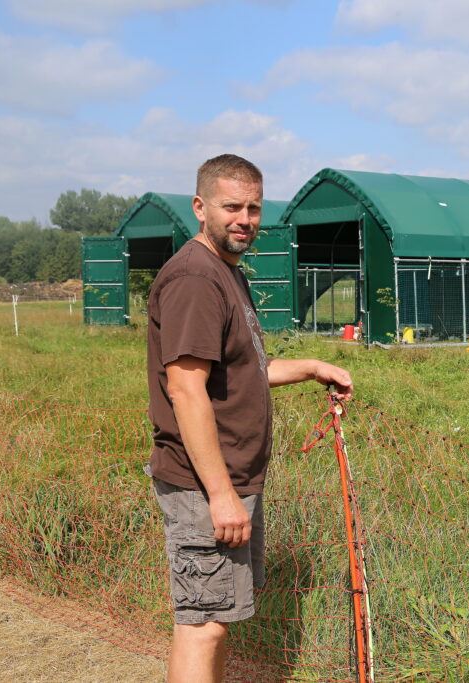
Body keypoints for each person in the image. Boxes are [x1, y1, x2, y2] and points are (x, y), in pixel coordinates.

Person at [145, 154, 352, 683]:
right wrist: (219, 493)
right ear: (200, 207)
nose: (245, 218)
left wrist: (311, 367)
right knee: (204, 622)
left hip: (228, 478)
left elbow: (242, 371)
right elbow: (187, 390)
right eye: (231, 206)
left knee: (215, 617)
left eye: (254, 208)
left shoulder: (226, 272)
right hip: (205, 483)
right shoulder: (196, 278)